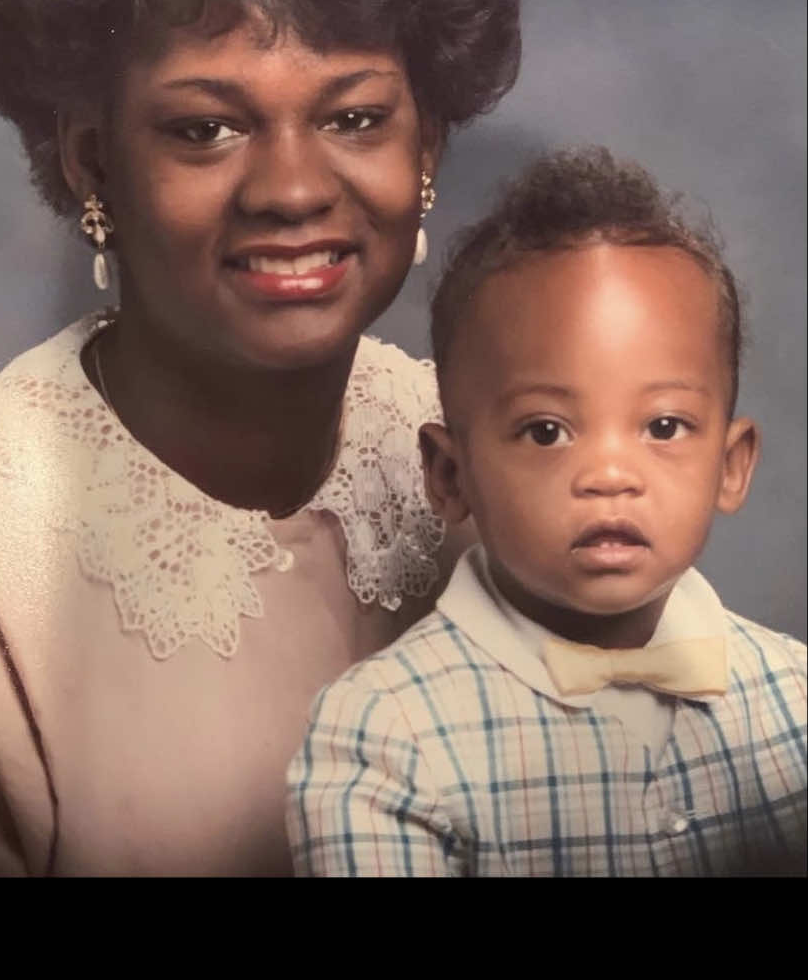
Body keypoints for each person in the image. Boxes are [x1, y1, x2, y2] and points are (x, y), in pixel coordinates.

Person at [0, 0, 525, 876]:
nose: (291, 189)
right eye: (205, 128)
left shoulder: (492, 453)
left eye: (355, 118)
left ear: (427, 149)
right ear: (92, 163)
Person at [288, 147, 807, 876]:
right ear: (450, 473)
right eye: (546, 431)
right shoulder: (386, 732)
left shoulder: (795, 696)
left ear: (730, 465)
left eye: (663, 427)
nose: (609, 476)